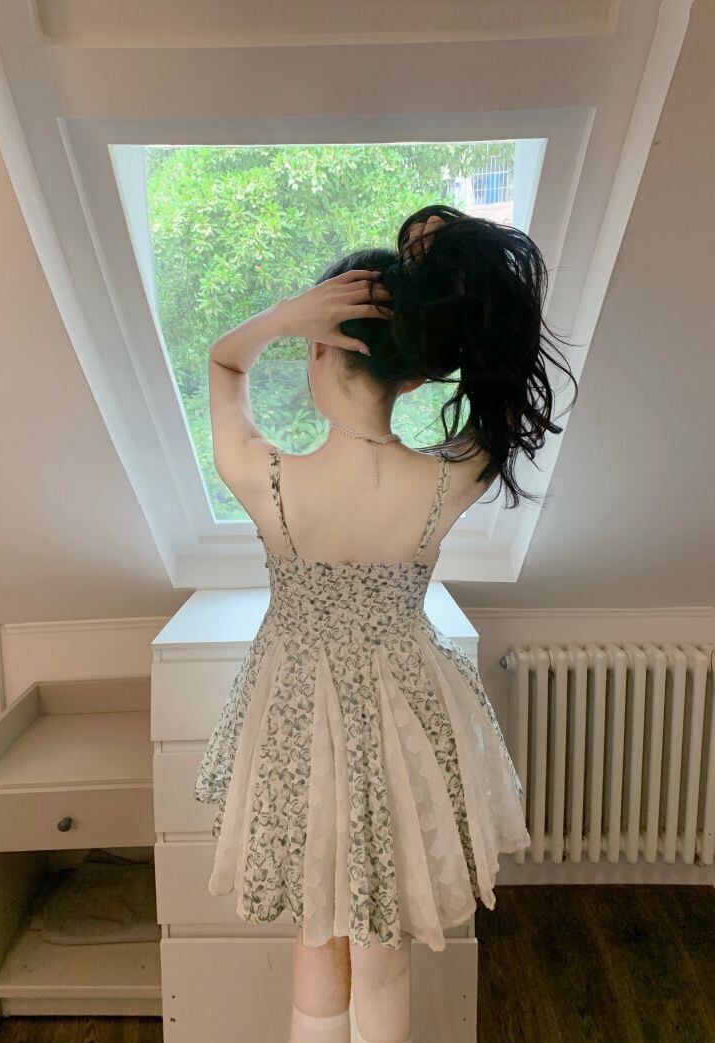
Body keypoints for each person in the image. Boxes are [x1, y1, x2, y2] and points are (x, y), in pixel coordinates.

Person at [193, 203, 579, 1043]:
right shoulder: (449, 480)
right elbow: (505, 395)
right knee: (385, 939)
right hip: (408, 720)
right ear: (410, 380)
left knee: (317, 928)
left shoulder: (267, 478)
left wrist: (283, 316)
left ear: (318, 350)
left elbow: (222, 364)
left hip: (298, 719)